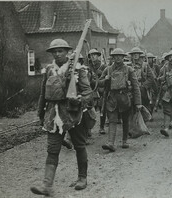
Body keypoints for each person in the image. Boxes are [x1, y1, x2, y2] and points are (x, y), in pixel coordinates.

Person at [31, 39, 93, 196]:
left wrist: (80, 99)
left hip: (73, 113)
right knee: (52, 149)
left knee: (79, 145)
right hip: (53, 114)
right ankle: (47, 185)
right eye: (54, 51)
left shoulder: (78, 70)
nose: (57, 54)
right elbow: (42, 94)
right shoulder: (49, 70)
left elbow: (88, 92)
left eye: (60, 51)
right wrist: (40, 114)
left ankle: (82, 178)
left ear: (67, 52)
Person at [99, 48, 142, 152]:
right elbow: (98, 83)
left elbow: (136, 87)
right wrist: (105, 80)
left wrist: (138, 102)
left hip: (125, 98)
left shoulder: (129, 69)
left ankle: (124, 140)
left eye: (120, 56)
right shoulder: (108, 69)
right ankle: (111, 143)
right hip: (112, 98)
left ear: (123, 57)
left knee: (125, 120)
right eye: (115, 56)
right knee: (112, 120)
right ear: (113, 58)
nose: (118, 58)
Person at [128, 47, 156, 115]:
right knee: (130, 107)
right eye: (133, 54)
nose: (135, 55)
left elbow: (151, 78)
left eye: (137, 54)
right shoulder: (128, 65)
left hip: (142, 89)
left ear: (139, 55)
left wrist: (144, 86)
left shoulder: (145, 65)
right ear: (131, 55)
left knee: (143, 106)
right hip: (130, 89)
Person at [87, 49, 107, 135]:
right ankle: (88, 129)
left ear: (98, 56)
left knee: (103, 109)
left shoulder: (103, 66)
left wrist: (100, 74)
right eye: (91, 55)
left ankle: (102, 127)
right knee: (90, 110)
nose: (93, 57)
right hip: (91, 90)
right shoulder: (88, 67)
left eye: (94, 55)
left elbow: (106, 78)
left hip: (101, 90)